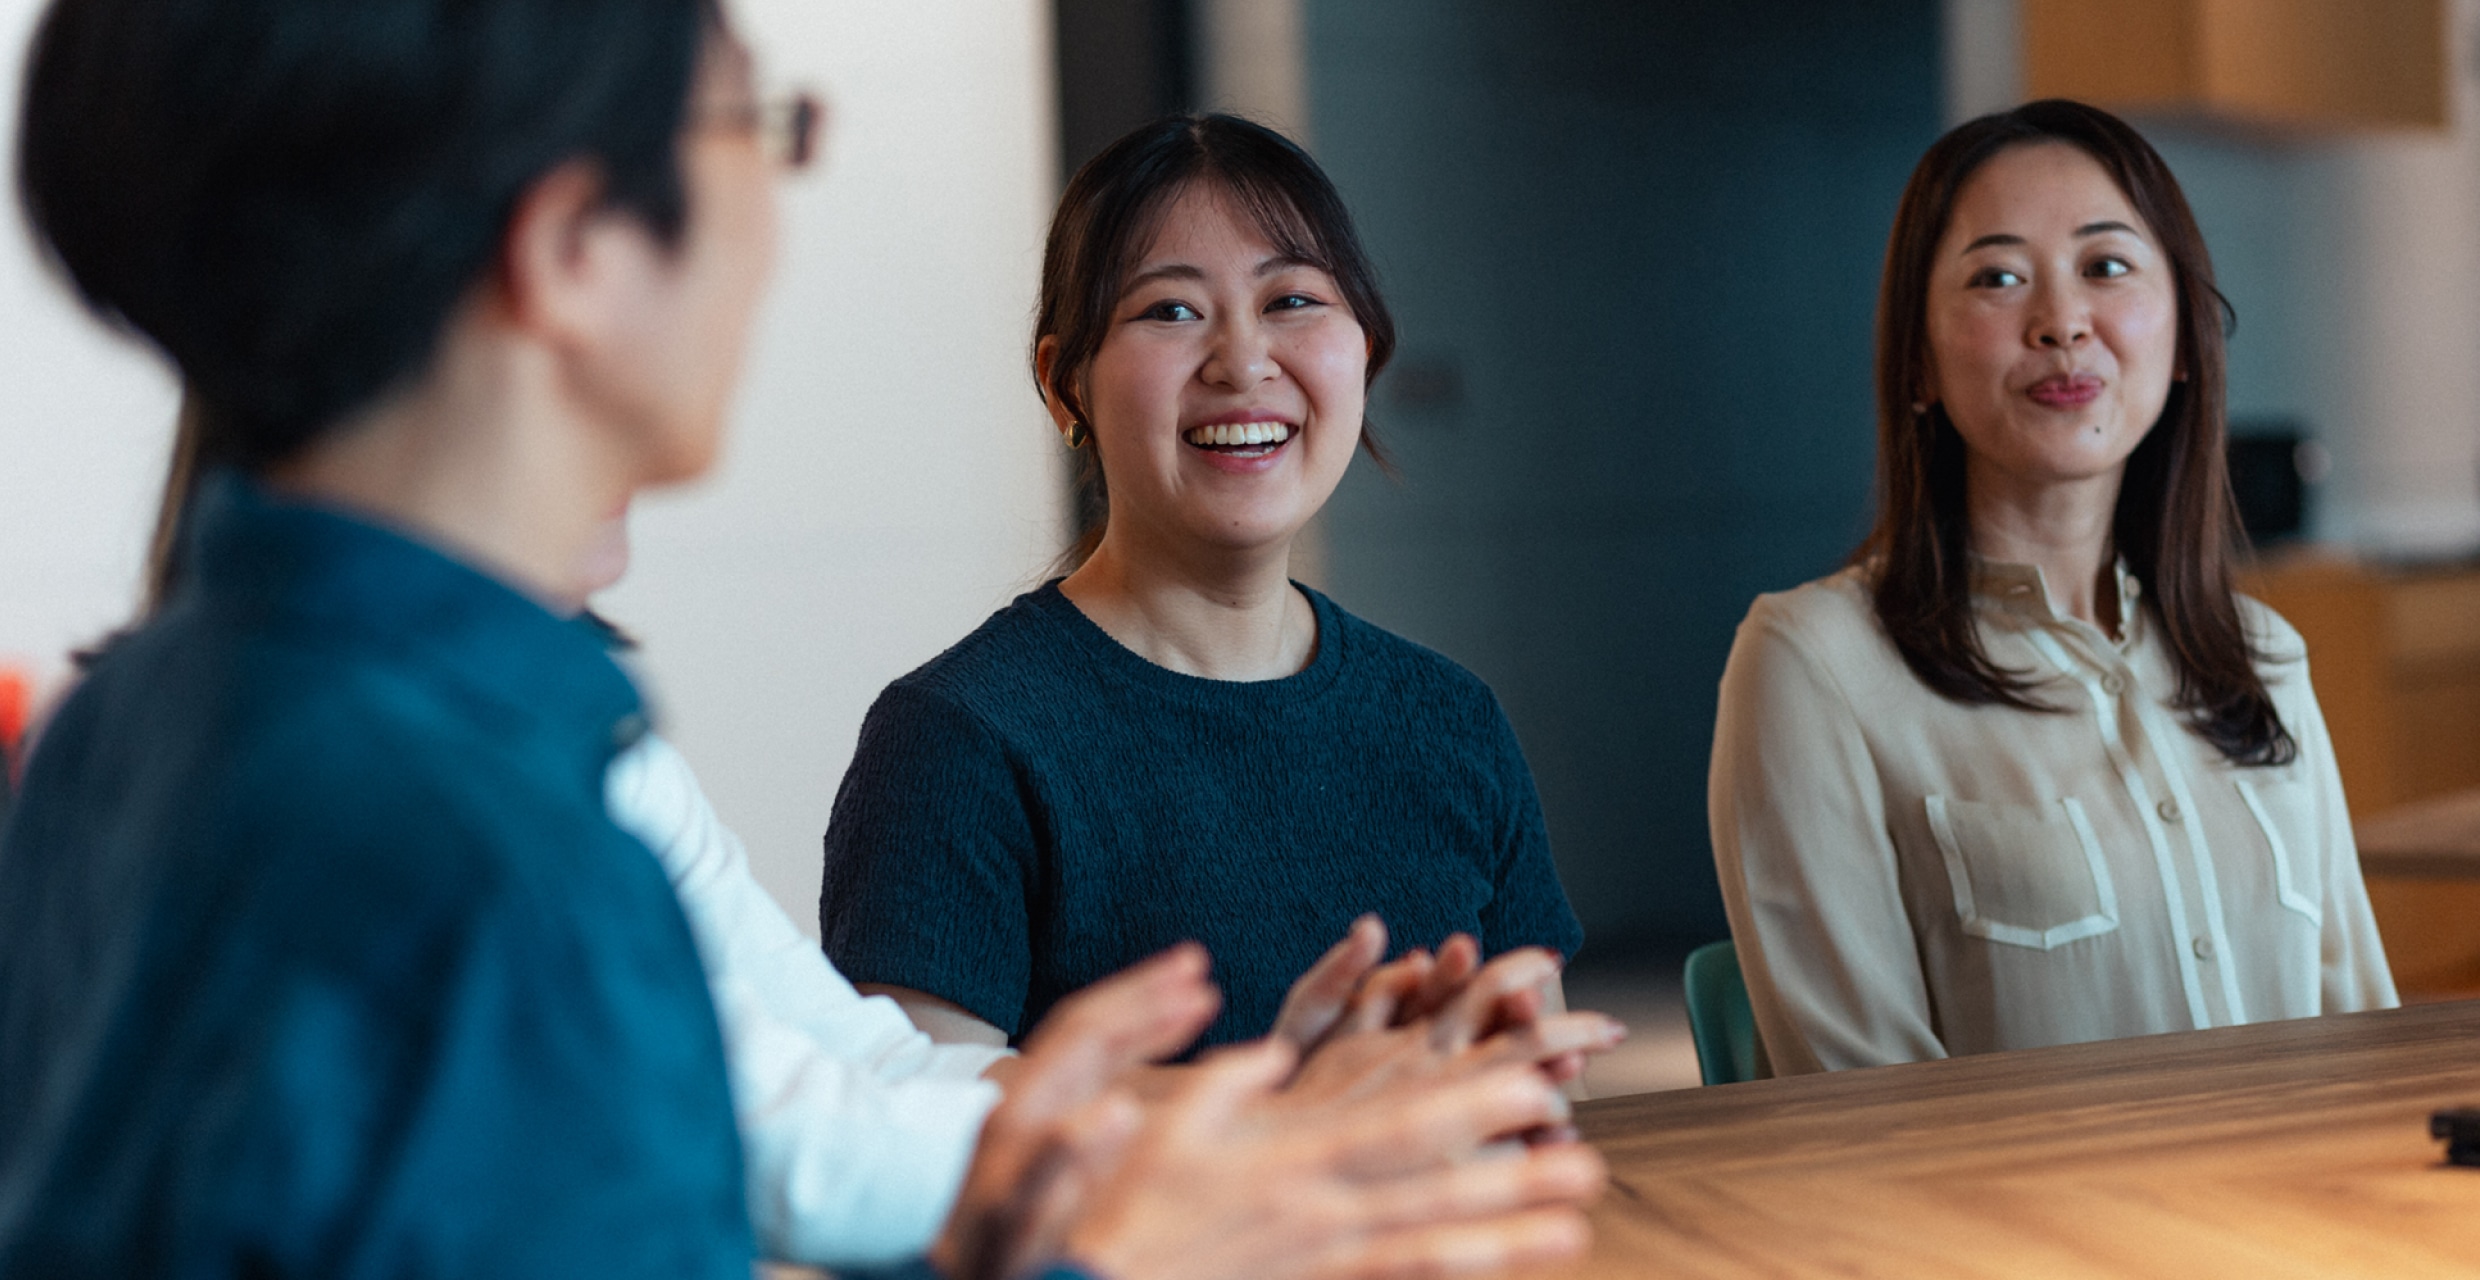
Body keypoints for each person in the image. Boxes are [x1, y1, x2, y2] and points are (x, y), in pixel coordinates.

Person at [0, 1, 1609, 1275]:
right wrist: (1124, 1253)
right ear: (570, 251)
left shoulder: (156, 722)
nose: (776, 211)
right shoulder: (471, 856)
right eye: (752, 131)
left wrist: (1243, 1128)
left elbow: (818, 1080)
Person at [820, 114, 1585, 1054]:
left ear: (1367, 353)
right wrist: (1299, 1117)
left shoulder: (1450, 719)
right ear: (1065, 387)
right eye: (1170, 310)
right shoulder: (958, 742)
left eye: (1294, 300)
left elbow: (1543, 1089)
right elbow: (928, 1147)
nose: (1244, 362)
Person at [1707, 99, 2397, 1077]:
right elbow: (1858, 1110)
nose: (2060, 321)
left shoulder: (2261, 655)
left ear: (2186, 336)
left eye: (2104, 266)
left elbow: (2361, 1040)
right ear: (1915, 362)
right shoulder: (1813, 665)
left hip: (2303, 1224)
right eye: (1996, 278)